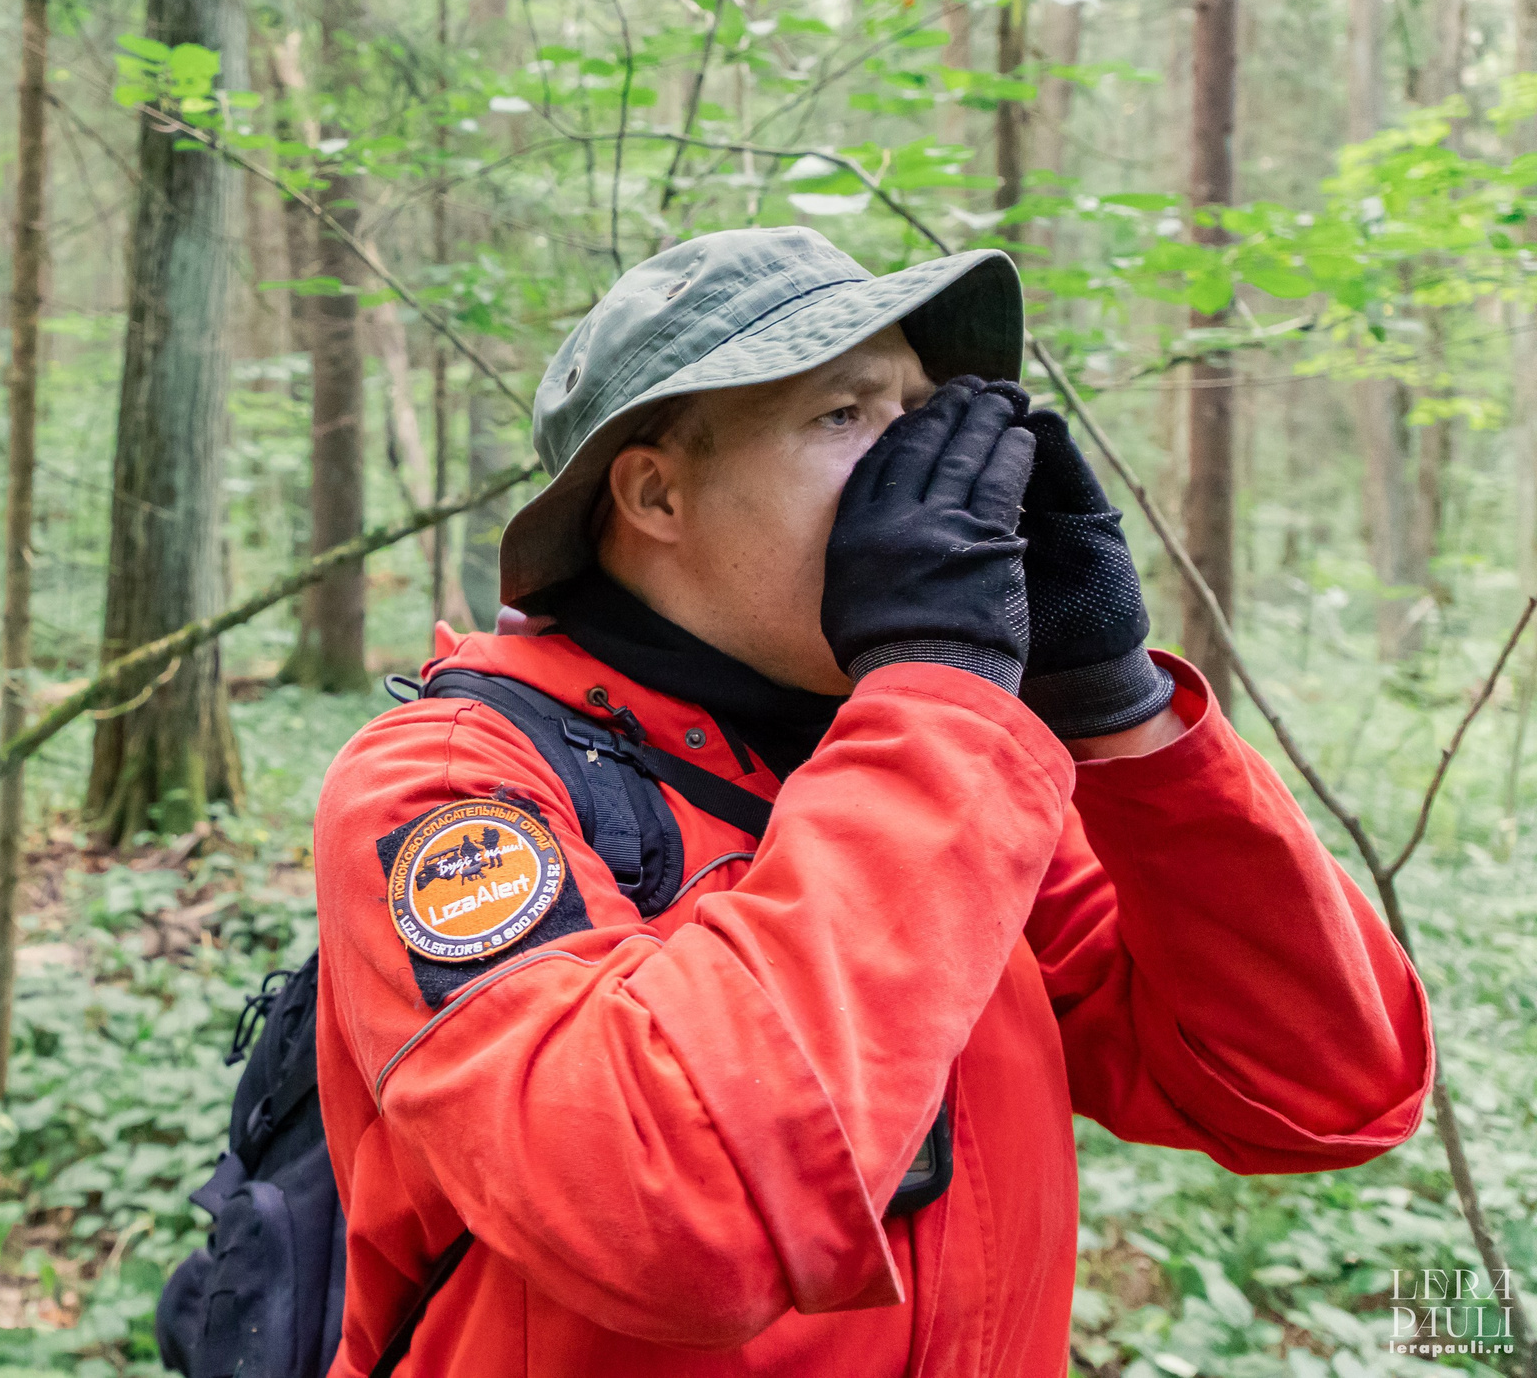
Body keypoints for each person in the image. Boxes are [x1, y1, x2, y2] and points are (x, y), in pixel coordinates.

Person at [311, 228, 1432, 1376]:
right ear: (654, 493)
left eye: (923, 411)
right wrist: (938, 691)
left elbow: (1316, 1086)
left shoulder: (943, 781)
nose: (927, 471)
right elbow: (672, 1216)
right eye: (845, 416)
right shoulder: (447, 785)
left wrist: (1110, 703)